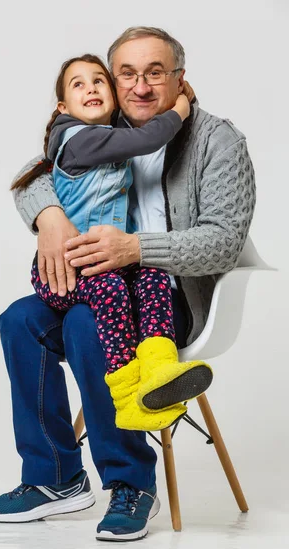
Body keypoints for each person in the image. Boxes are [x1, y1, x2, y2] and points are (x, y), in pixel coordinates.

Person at [0, 27, 256, 542]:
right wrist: (50, 216)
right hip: (99, 278)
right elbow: (36, 166)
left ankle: (131, 481)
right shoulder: (108, 123)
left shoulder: (217, 141)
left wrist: (136, 248)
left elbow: (223, 241)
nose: (141, 86)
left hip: (169, 290)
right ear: (113, 81)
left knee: (86, 326)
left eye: (156, 72)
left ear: (180, 80)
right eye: (126, 74)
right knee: (19, 320)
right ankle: (54, 478)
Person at [14, 53, 213, 432]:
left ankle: (160, 371)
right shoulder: (80, 138)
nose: (90, 88)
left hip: (110, 263)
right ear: (62, 108)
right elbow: (148, 137)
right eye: (78, 84)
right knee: (109, 293)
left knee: (153, 276)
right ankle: (127, 397)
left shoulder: (106, 136)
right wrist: (182, 109)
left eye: (98, 81)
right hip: (69, 272)